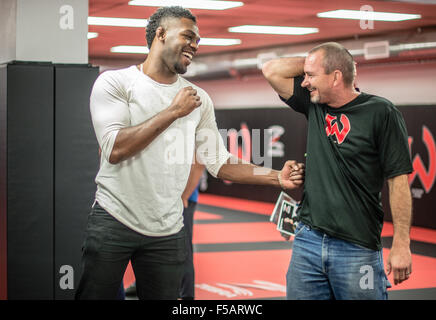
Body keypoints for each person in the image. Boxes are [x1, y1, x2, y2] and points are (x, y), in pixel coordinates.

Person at [75, 6, 305, 300]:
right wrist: (173, 111)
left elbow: (220, 163)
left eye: (198, 40)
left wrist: (277, 177)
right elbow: (115, 148)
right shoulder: (116, 83)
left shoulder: (199, 99)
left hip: (168, 231)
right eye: (188, 36)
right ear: (160, 33)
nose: (195, 45)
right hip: (113, 219)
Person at [262, 42, 413, 300]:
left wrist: (401, 244)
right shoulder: (313, 105)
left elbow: (398, 181)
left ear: (335, 77)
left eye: (311, 76)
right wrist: (315, 61)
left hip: (357, 246)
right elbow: (271, 70)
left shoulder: (381, 112)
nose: (305, 82)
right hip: (307, 240)